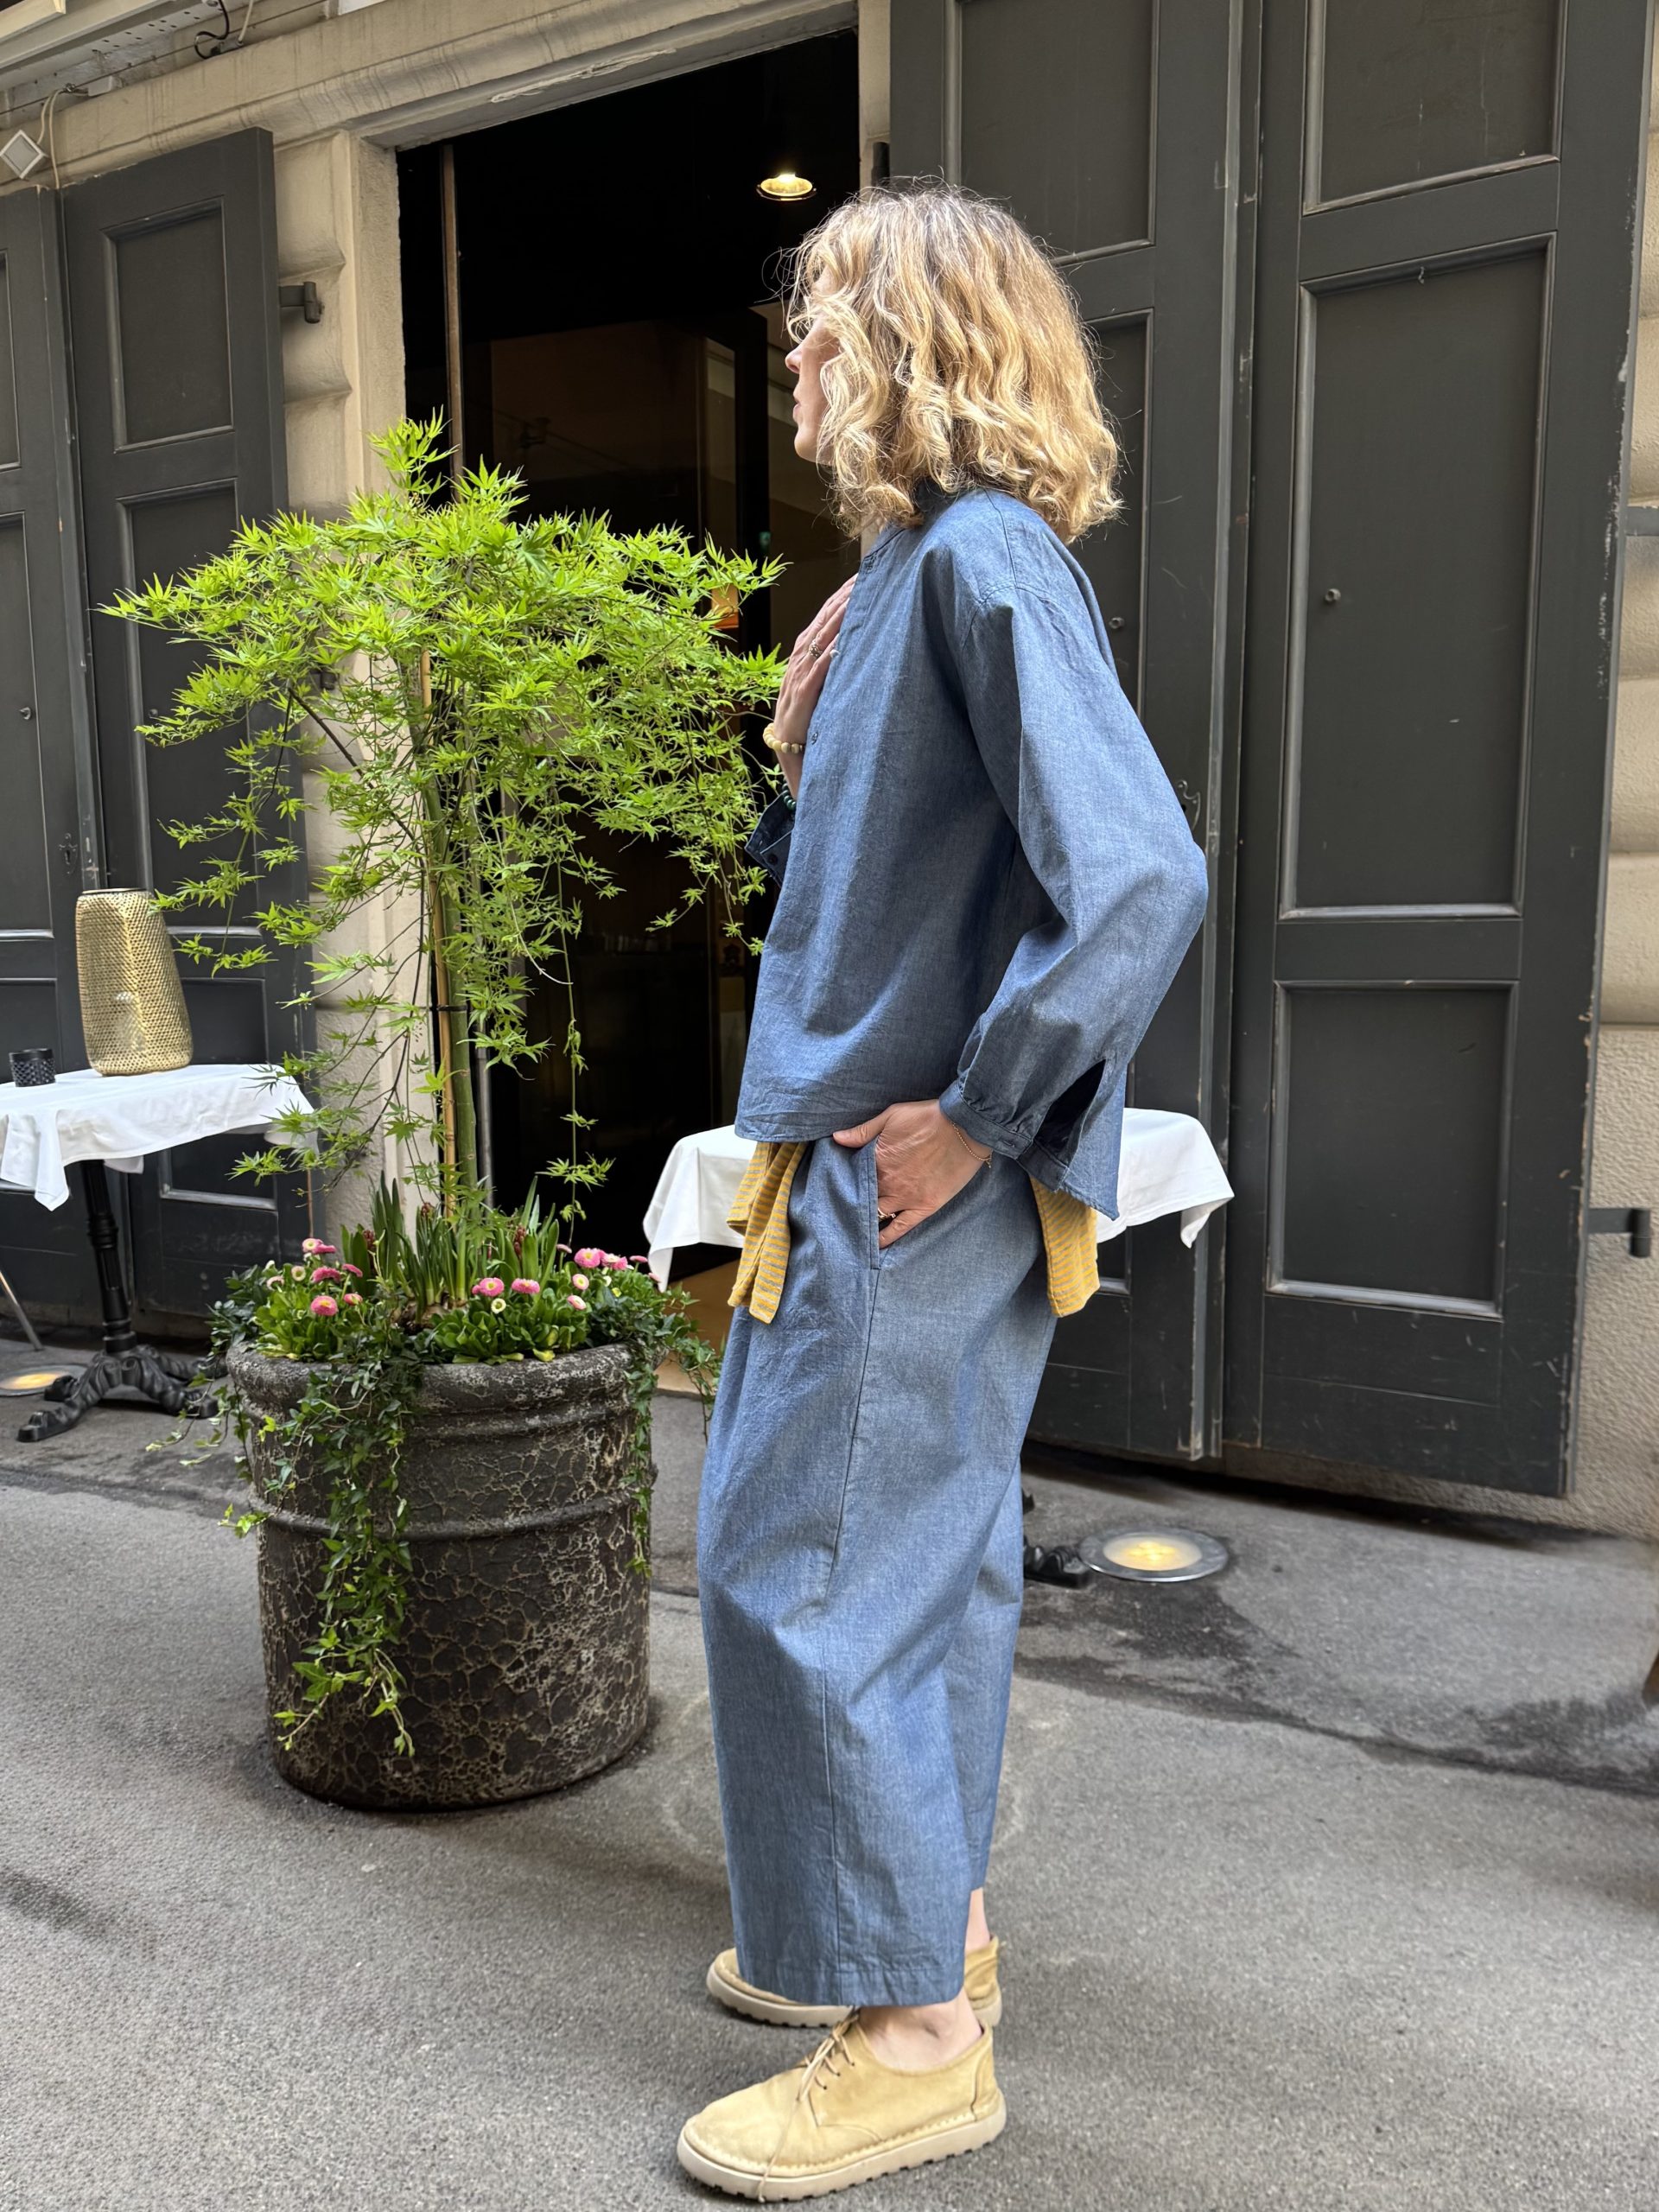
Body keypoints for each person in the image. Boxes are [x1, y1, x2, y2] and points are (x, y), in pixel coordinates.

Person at [678, 180, 1210, 2201]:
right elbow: (903, 873)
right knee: (914, 1568)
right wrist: (807, 724)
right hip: (868, 1160)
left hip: (902, 1170)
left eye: (825, 323)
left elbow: (1137, 876)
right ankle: (930, 1936)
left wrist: (978, 1115)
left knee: (803, 1574)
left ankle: (909, 2040)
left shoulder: (981, 560)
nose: (794, 355)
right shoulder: (921, 568)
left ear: (916, 344)